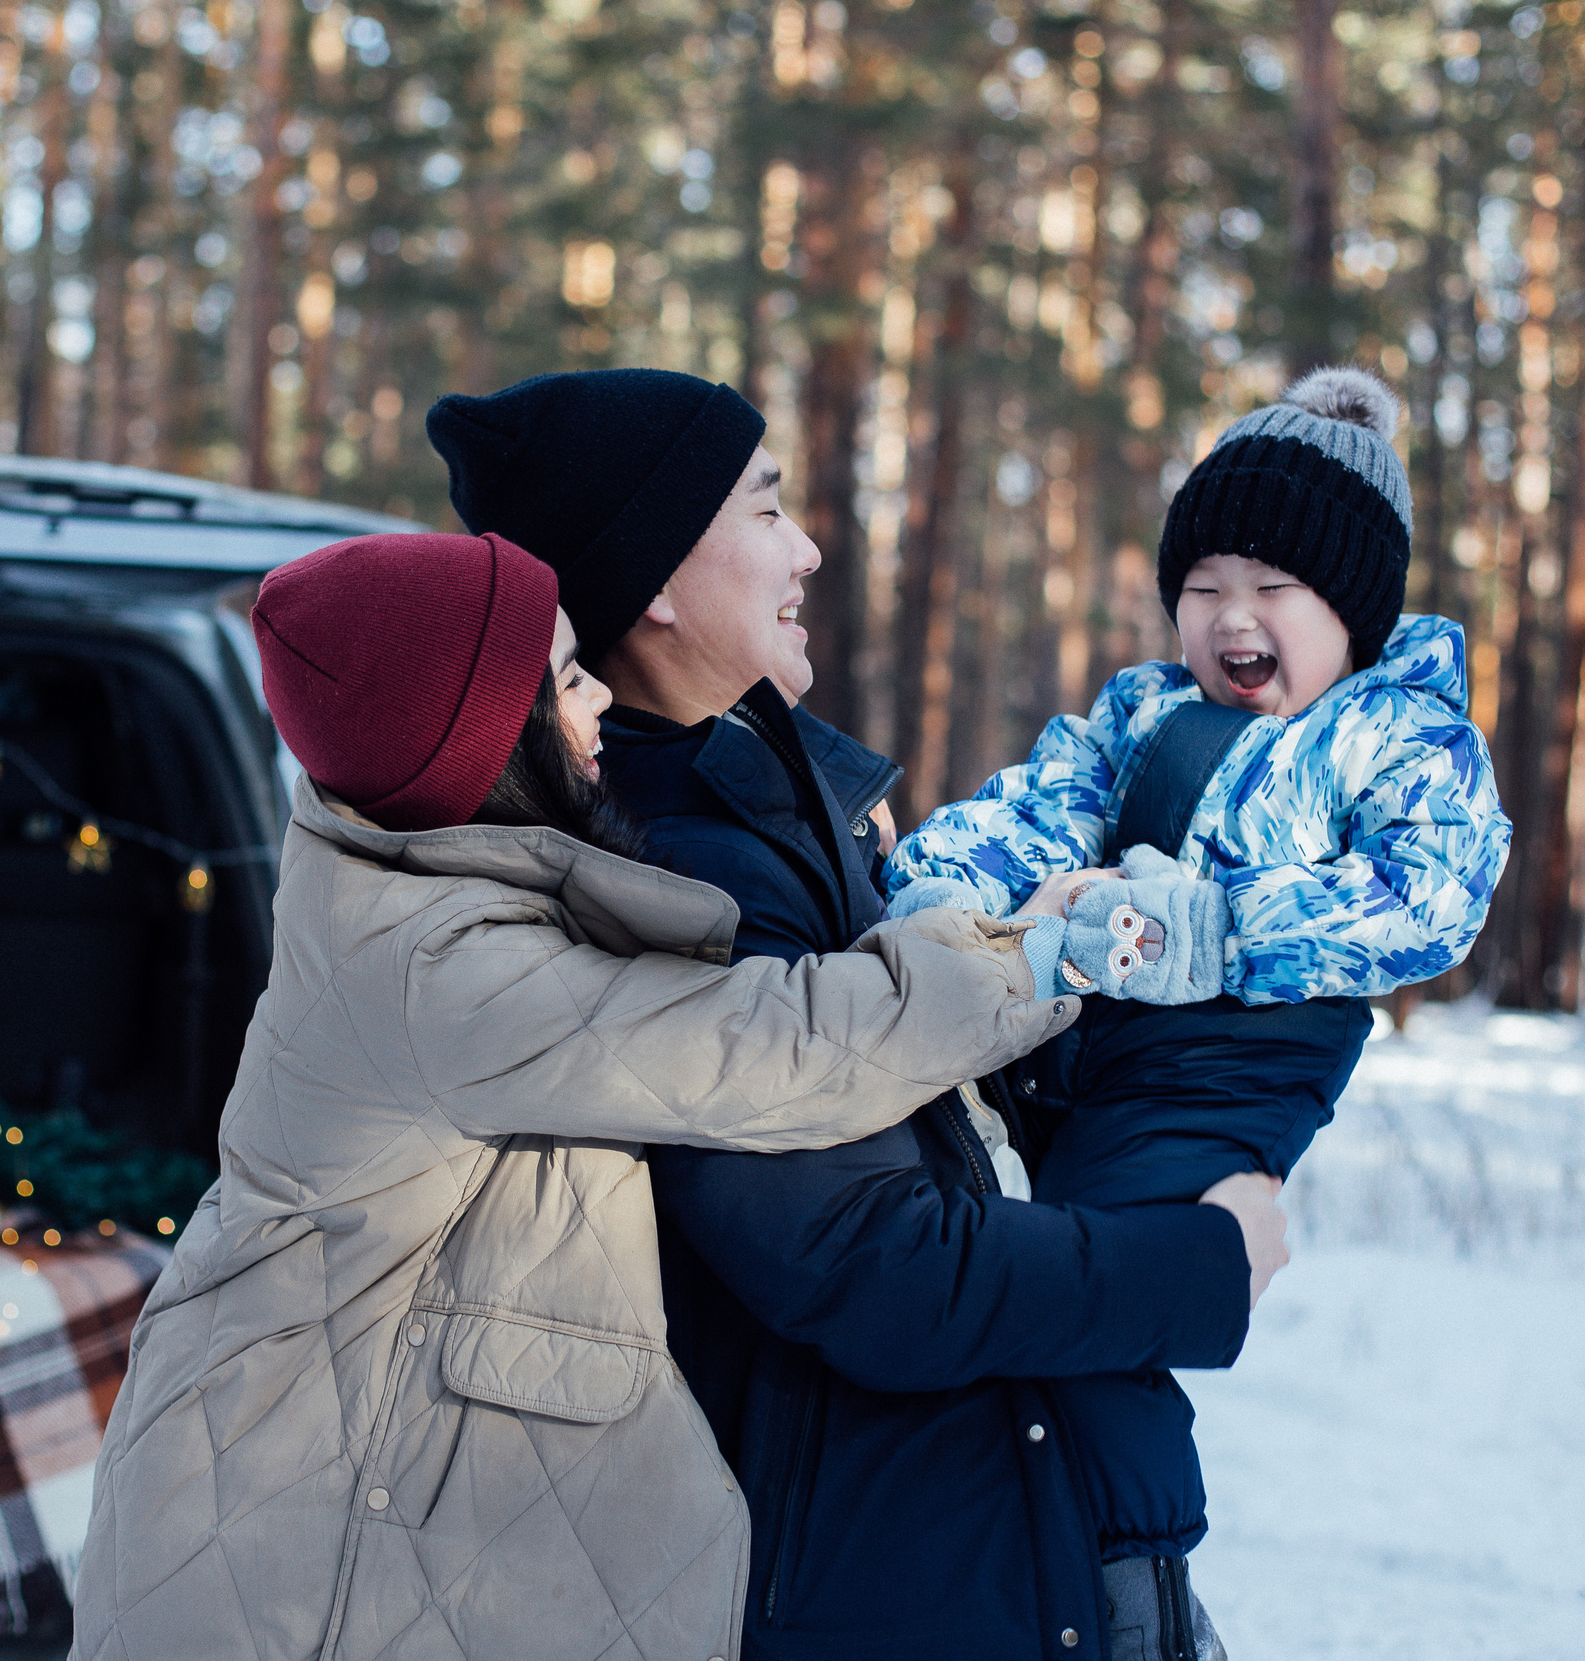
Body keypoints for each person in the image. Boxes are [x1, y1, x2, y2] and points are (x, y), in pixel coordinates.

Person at [68, 529, 1086, 1661]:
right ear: (480, 743)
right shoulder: (436, 970)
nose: (597, 691)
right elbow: (763, 1050)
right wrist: (1029, 958)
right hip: (304, 1571)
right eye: (563, 678)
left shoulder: (411, 897)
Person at [429, 368, 1287, 1661]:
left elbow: (945, 1136)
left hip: (995, 1529)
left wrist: (1058, 956)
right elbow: (870, 1262)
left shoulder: (783, 807)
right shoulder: (682, 881)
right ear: (657, 579)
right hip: (896, 1578)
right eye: (767, 510)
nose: (808, 545)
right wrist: (1199, 1264)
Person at [883, 367, 1514, 1585]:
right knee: (998, 1253)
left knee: (1108, 1280)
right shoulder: (1140, 715)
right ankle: (999, 1537)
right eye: (1204, 587)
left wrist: (1218, 928)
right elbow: (1034, 810)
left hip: (1232, 1063)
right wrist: (938, 895)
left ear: (1355, 610)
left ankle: (1128, 1570)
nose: (1234, 616)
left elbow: (1430, 896)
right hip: (1080, 1042)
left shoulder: (1395, 732)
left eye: (1273, 588)